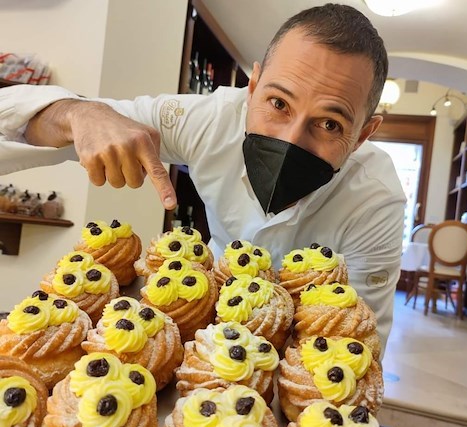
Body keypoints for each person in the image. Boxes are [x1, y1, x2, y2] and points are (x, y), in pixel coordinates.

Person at [0, 4, 405, 356]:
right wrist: (76, 113)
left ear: (363, 135)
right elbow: (24, 122)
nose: (290, 139)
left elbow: (356, 338)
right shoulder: (211, 121)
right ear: (253, 86)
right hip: (202, 310)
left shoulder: (375, 200)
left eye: (330, 123)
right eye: (278, 103)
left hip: (296, 347)